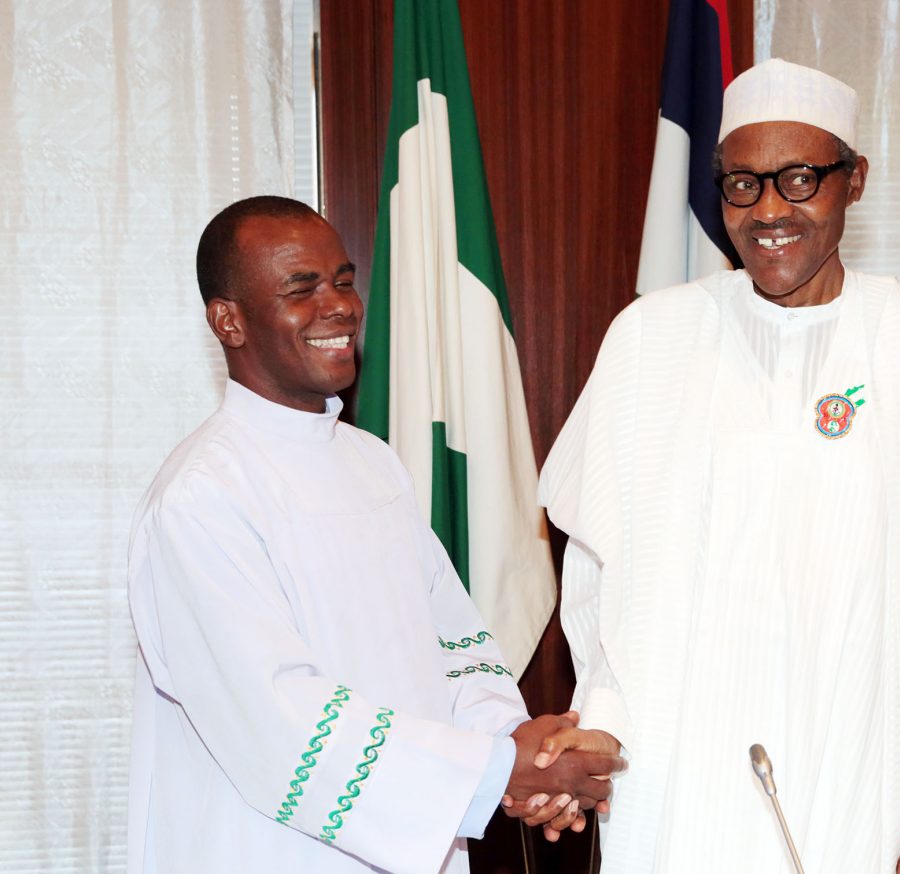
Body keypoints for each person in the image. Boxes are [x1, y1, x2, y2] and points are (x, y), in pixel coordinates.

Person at [533, 60, 900, 872]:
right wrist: (604, 722)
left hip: (869, 775)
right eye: (742, 185)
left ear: (854, 179)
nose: (769, 211)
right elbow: (596, 577)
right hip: (680, 778)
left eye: (800, 179)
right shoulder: (650, 339)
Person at [126, 196, 620, 873]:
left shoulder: (373, 461)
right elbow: (279, 718)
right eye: (302, 289)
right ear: (229, 320)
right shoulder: (200, 497)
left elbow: (447, 640)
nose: (339, 306)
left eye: (343, 280)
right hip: (268, 852)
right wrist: (497, 772)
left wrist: (510, 735)